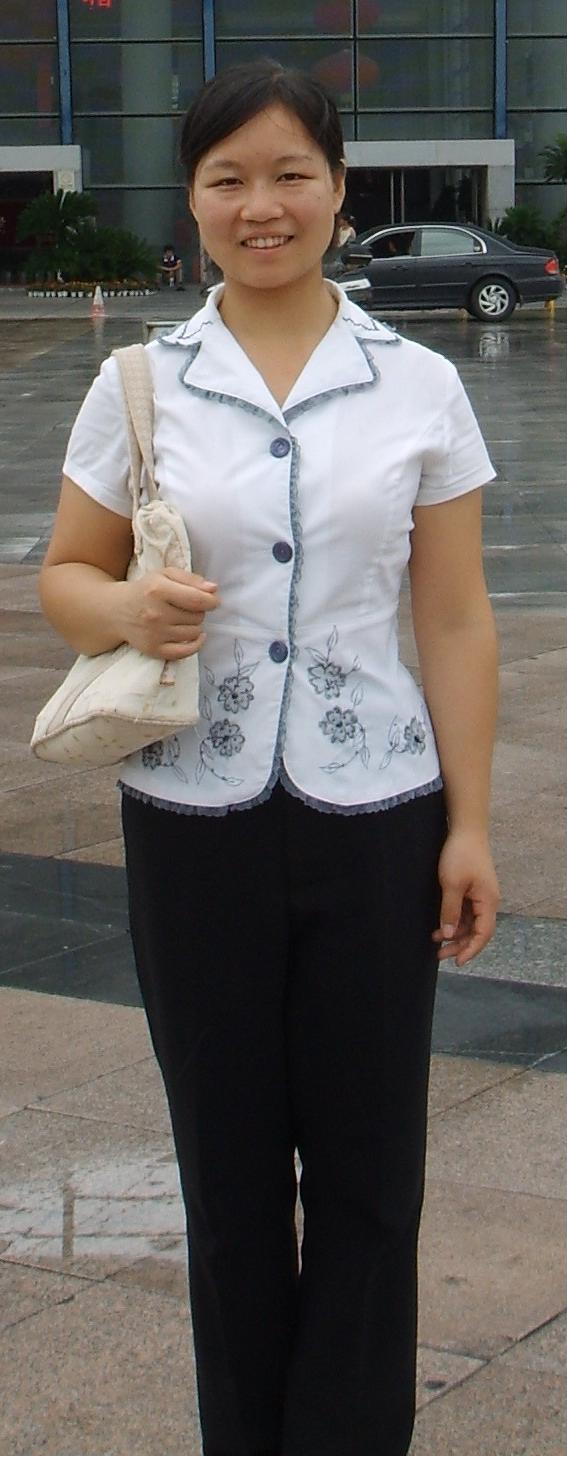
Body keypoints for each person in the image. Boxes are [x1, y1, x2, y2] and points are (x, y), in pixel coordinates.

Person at [38, 60, 500, 1457]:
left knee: (371, 1174)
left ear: (338, 189)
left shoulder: (417, 385)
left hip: (378, 816)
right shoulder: (143, 381)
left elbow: (456, 616)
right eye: (228, 178)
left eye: (292, 174)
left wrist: (470, 826)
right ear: (191, 200)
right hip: (194, 819)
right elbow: (65, 574)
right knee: (229, 1177)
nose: (263, 205)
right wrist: (125, 607)